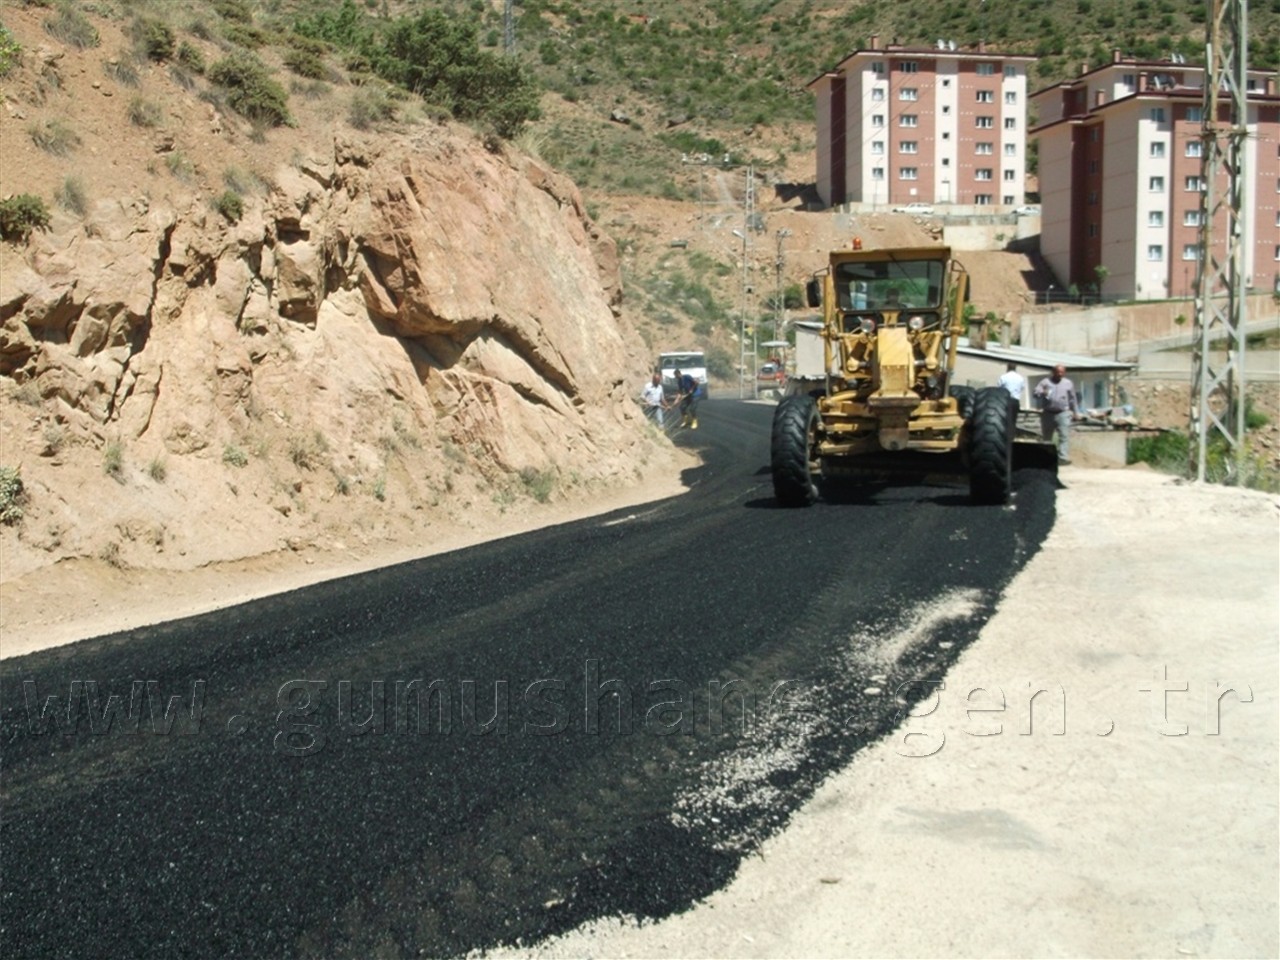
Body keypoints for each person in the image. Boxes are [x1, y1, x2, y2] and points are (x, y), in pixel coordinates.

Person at [1034, 364, 1079, 464]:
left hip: (1063, 413)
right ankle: (1046, 458)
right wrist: (1042, 392)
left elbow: (1072, 399)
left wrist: (1076, 412)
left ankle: (1063, 458)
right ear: (1053, 372)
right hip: (1048, 413)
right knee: (1047, 437)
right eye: (1058, 372)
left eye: (1062, 372)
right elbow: (1036, 393)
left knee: (1064, 436)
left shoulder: (1068, 383)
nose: (1060, 374)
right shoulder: (1045, 382)